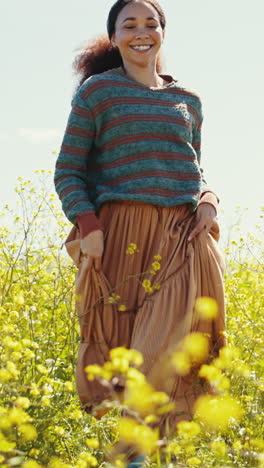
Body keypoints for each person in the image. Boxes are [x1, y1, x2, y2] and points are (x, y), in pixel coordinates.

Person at [54, 0, 226, 463]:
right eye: (128, 24)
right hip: (119, 237)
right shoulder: (98, 94)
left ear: (163, 34)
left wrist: (209, 201)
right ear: (114, 37)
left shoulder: (188, 99)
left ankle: (138, 458)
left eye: (151, 23)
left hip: (181, 237)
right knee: (121, 359)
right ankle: (138, 456)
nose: (141, 32)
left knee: (164, 353)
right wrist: (88, 225)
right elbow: (68, 171)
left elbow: (194, 169)